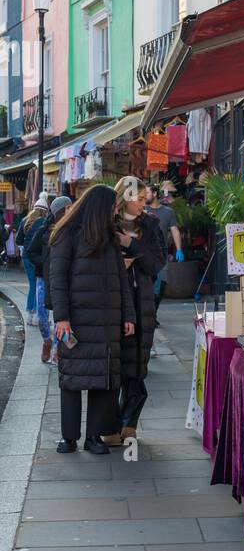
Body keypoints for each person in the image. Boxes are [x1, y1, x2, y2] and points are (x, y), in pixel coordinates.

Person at [48, 184, 135, 455]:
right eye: (111, 207)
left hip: (107, 321)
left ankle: (94, 436)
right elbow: (57, 279)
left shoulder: (110, 236)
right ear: (99, 207)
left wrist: (128, 315)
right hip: (76, 320)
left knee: (105, 379)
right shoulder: (67, 234)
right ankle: (69, 437)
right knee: (72, 379)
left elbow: (121, 279)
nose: (114, 212)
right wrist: (61, 317)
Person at [102, 178, 164, 445]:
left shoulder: (150, 225)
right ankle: (111, 424)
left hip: (142, 304)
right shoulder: (106, 223)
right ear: (124, 197)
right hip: (114, 303)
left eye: (144, 198)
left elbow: (156, 263)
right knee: (115, 366)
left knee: (137, 365)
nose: (143, 203)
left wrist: (131, 245)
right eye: (138, 198)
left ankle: (130, 423)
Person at [26, 194, 71, 362]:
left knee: (61, 316)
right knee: (43, 318)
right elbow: (30, 251)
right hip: (43, 279)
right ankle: (47, 341)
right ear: (59, 211)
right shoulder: (43, 229)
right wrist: (45, 264)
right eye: (67, 208)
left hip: (64, 281)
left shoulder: (73, 229)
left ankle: (57, 350)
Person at [144, 185, 183, 316]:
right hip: (145, 252)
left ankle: (153, 313)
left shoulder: (168, 212)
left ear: (154, 194)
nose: (144, 195)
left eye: (147, 192)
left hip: (161, 253)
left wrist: (179, 250)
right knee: (149, 283)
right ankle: (148, 314)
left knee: (161, 283)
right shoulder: (142, 209)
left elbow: (174, 230)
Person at [18, 196, 50, 324]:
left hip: (26, 257)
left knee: (32, 286)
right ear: (45, 211)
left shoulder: (25, 221)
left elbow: (18, 240)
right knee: (39, 286)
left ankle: (29, 315)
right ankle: (38, 316)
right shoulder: (44, 222)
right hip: (37, 258)